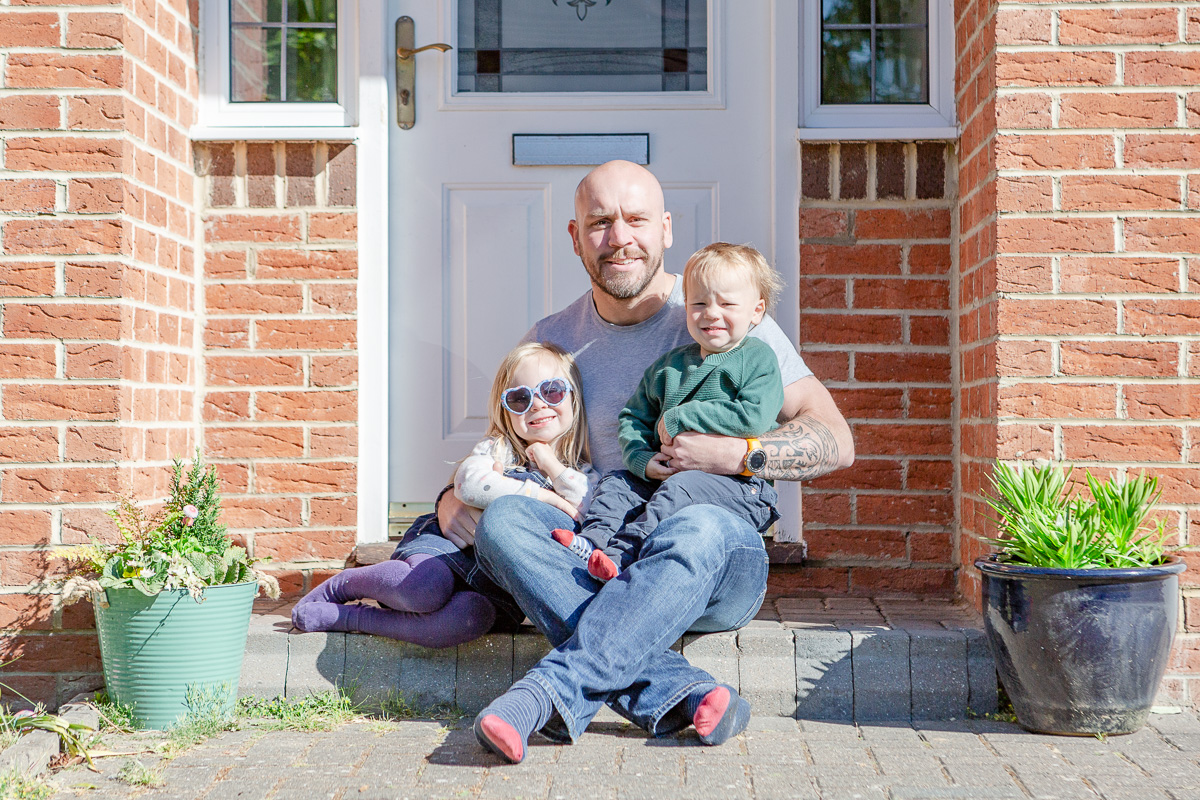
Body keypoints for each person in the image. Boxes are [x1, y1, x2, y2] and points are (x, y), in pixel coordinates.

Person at [434, 160, 854, 764]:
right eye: (600, 222)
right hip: (603, 551)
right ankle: (681, 692)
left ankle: (546, 694)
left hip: (713, 556)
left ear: (665, 228)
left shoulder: (721, 311)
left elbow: (836, 441)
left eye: (635, 219)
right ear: (576, 237)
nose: (620, 237)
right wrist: (453, 497)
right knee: (503, 525)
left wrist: (740, 453)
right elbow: (507, 439)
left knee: (697, 524)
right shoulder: (553, 337)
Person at [292, 342, 598, 649]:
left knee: (467, 620)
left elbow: (580, 507)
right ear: (505, 409)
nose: (537, 404)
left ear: (575, 397)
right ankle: (344, 585)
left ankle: (351, 618)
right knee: (423, 589)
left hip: (496, 588)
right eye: (520, 398)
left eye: (553, 391)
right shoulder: (498, 450)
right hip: (448, 548)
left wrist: (548, 462)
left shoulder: (586, 474)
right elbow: (470, 483)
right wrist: (539, 495)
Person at [551, 242, 785, 583]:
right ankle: (593, 544)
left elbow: (754, 417)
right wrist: (642, 459)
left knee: (680, 490)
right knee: (617, 482)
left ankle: (621, 556)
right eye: (699, 303)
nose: (711, 313)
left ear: (756, 311)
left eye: (727, 304)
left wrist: (682, 416)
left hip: (740, 487)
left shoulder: (758, 359)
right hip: (669, 477)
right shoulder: (669, 367)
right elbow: (633, 417)